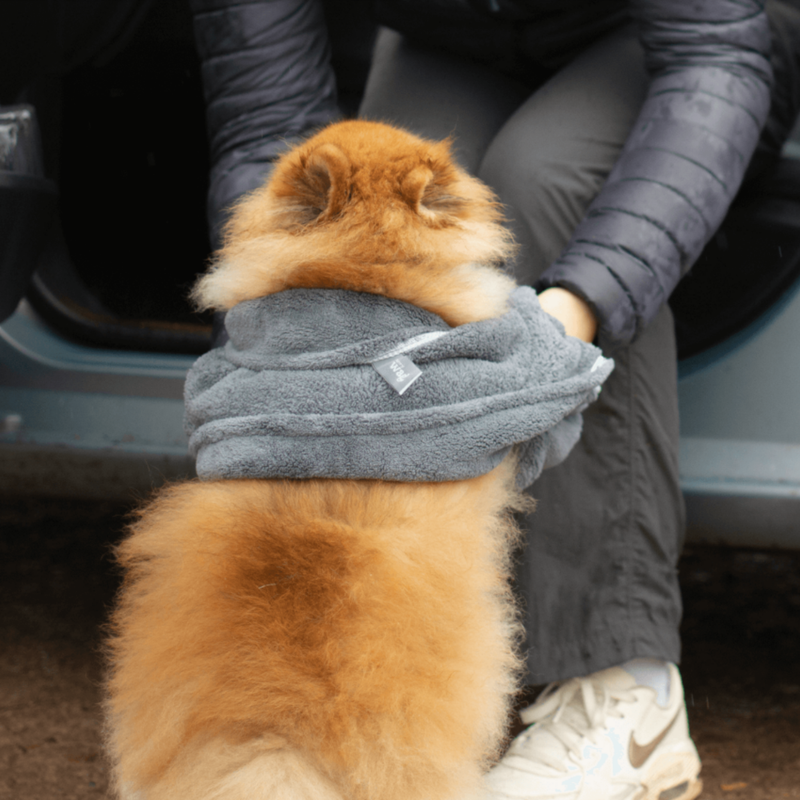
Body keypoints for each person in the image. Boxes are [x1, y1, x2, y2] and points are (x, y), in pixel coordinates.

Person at [190, 1, 800, 797]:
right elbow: (269, 129)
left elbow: (715, 59)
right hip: (450, 30)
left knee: (541, 177)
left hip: (691, 46)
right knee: (372, 227)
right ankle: (363, 693)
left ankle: (626, 699)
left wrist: (574, 310)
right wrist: (280, 325)